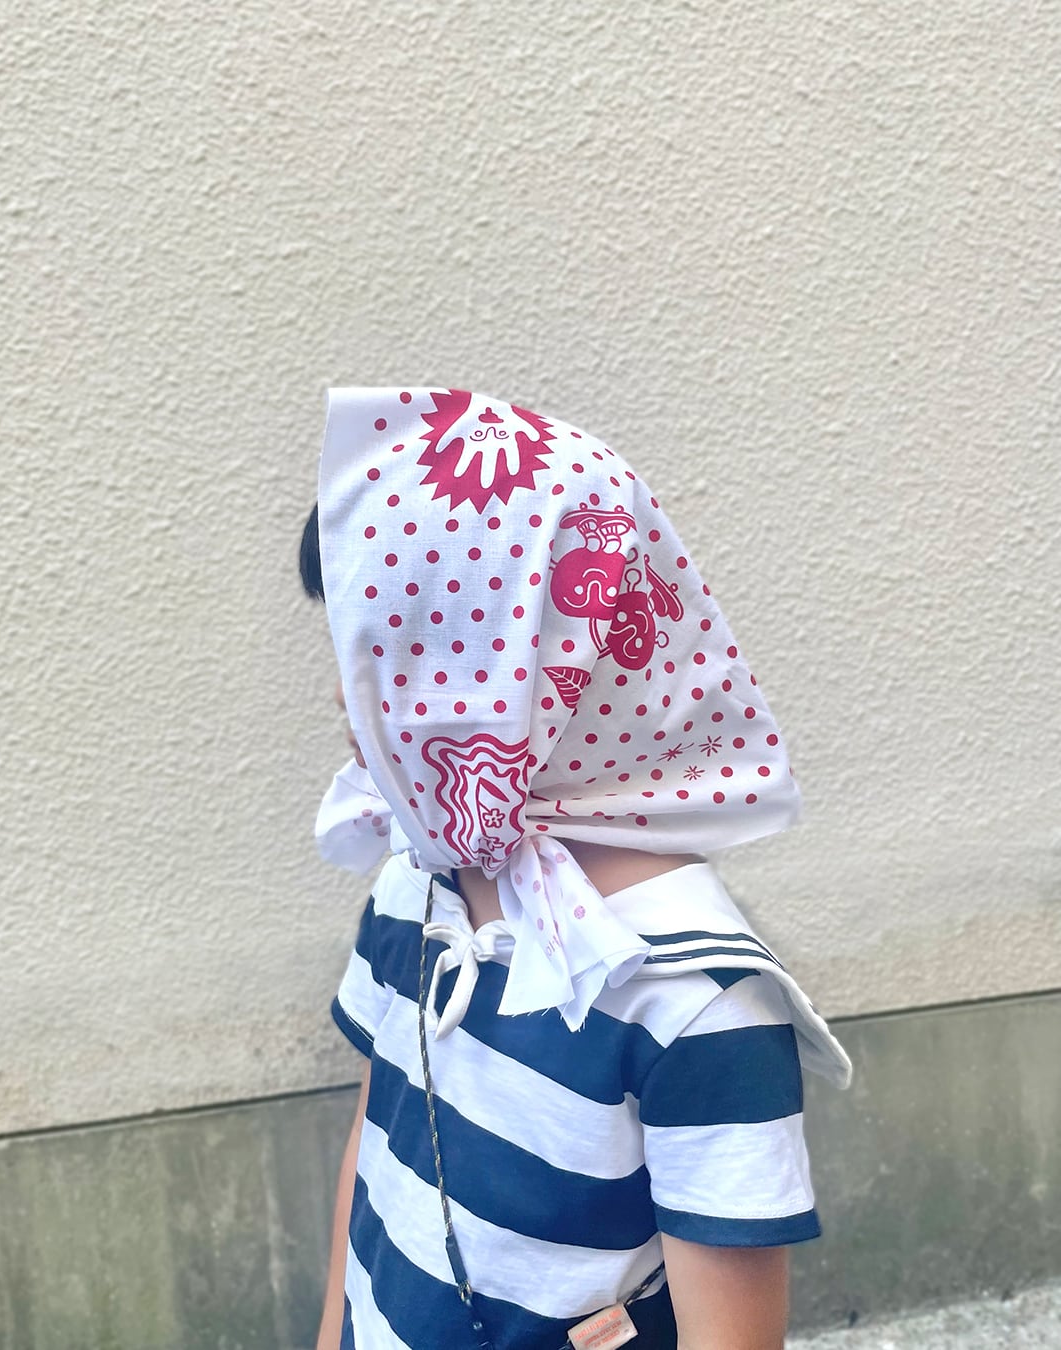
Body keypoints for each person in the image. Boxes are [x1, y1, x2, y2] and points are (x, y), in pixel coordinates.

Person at [301, 387, 851, 1350]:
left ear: (488, 673)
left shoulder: (693, 1001)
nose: (351, 705)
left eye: (380, 660)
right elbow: (376, 1144)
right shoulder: (417, 881)